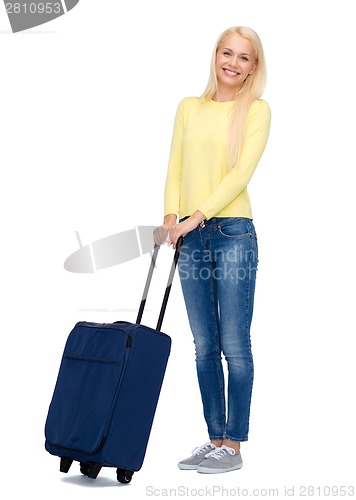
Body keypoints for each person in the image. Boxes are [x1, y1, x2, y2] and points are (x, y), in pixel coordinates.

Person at [154, 26, 271, 474]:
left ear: (253, 67)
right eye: (228, 53)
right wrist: (171, 217)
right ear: (216, 55)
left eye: (245, 58)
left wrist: (195, 216)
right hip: (189, 232)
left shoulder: (257, 111)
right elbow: (176, 164)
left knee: (233, 344)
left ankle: (234, 445)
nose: (233, 63)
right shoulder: (189, 107)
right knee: (204, 344)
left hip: (232, 233)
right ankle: (214, 438)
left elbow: (239, 176)